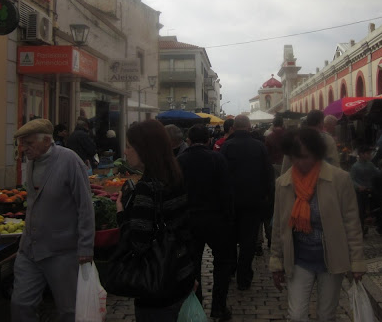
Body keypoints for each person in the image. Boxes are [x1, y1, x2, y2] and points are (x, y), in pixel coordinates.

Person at [269, 127, 366, 321]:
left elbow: (351, 224)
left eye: (304, 156)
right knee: (296, 315)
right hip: (298, 259)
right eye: (294, 157)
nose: (299, 162)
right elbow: (279, 226)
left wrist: (356, 262)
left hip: (331, 258)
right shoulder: (284, 183)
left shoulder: (339, 179)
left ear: (316, 153)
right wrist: (277, 262)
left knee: (326, 315)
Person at [10, 118, 95, 322]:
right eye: (22, 143)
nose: (24, 148)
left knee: (69, 310)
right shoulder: (32, 161)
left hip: (61, 251)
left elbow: (85, 206)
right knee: (21, 303)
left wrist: (85, 246)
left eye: (29, 143)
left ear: (47, 141)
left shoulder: (69, 161)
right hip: (30, 249)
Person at [115, 120, 195, 321]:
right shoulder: (175, 177)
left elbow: (138, 244)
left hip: (157, 284)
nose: (125, 152)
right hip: (180, 275)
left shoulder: (147, 187)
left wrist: (122, 214)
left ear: (144, 149)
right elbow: (185, 230)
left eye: (129, 146)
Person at [177, 124, 235, 321]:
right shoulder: (217, 159)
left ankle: (197, 304)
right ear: (209, 140)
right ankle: (219, 307)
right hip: (216, 220)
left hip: (189, 220)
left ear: (188, 140)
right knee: (223, 263)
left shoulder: (180, 161)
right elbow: (227, 191)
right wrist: (229, 217)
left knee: (192, 265)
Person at [219, 115, 273, 291]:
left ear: (233, 128)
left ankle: (231, 270)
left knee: (230, 239)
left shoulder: (227, 146)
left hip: (231, 202)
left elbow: (220, 175)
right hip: (253, 201)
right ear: (249, 127)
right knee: (248, 241)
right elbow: (268, 174)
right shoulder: (259, 146)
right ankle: (244, 276)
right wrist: (268, 197)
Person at [281, 110, 340, 174]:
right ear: (321, 123)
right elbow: (335, 164)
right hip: (323, 177)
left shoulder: (295, 137)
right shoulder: (328, 139)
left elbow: (286, 165)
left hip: (297, 177)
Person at [350, 145, 382, 234]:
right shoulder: (355, 166)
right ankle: (361, 228)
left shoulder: (370, 164)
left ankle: (381, 226)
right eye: (367, 153)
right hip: (361, 191)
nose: (369, 155)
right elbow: (351, 179)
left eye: (370, 153)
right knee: (361, 210)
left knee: (379, 206)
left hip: (370, 189)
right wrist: (358, 187)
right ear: (361, 154)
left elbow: (378, 173)